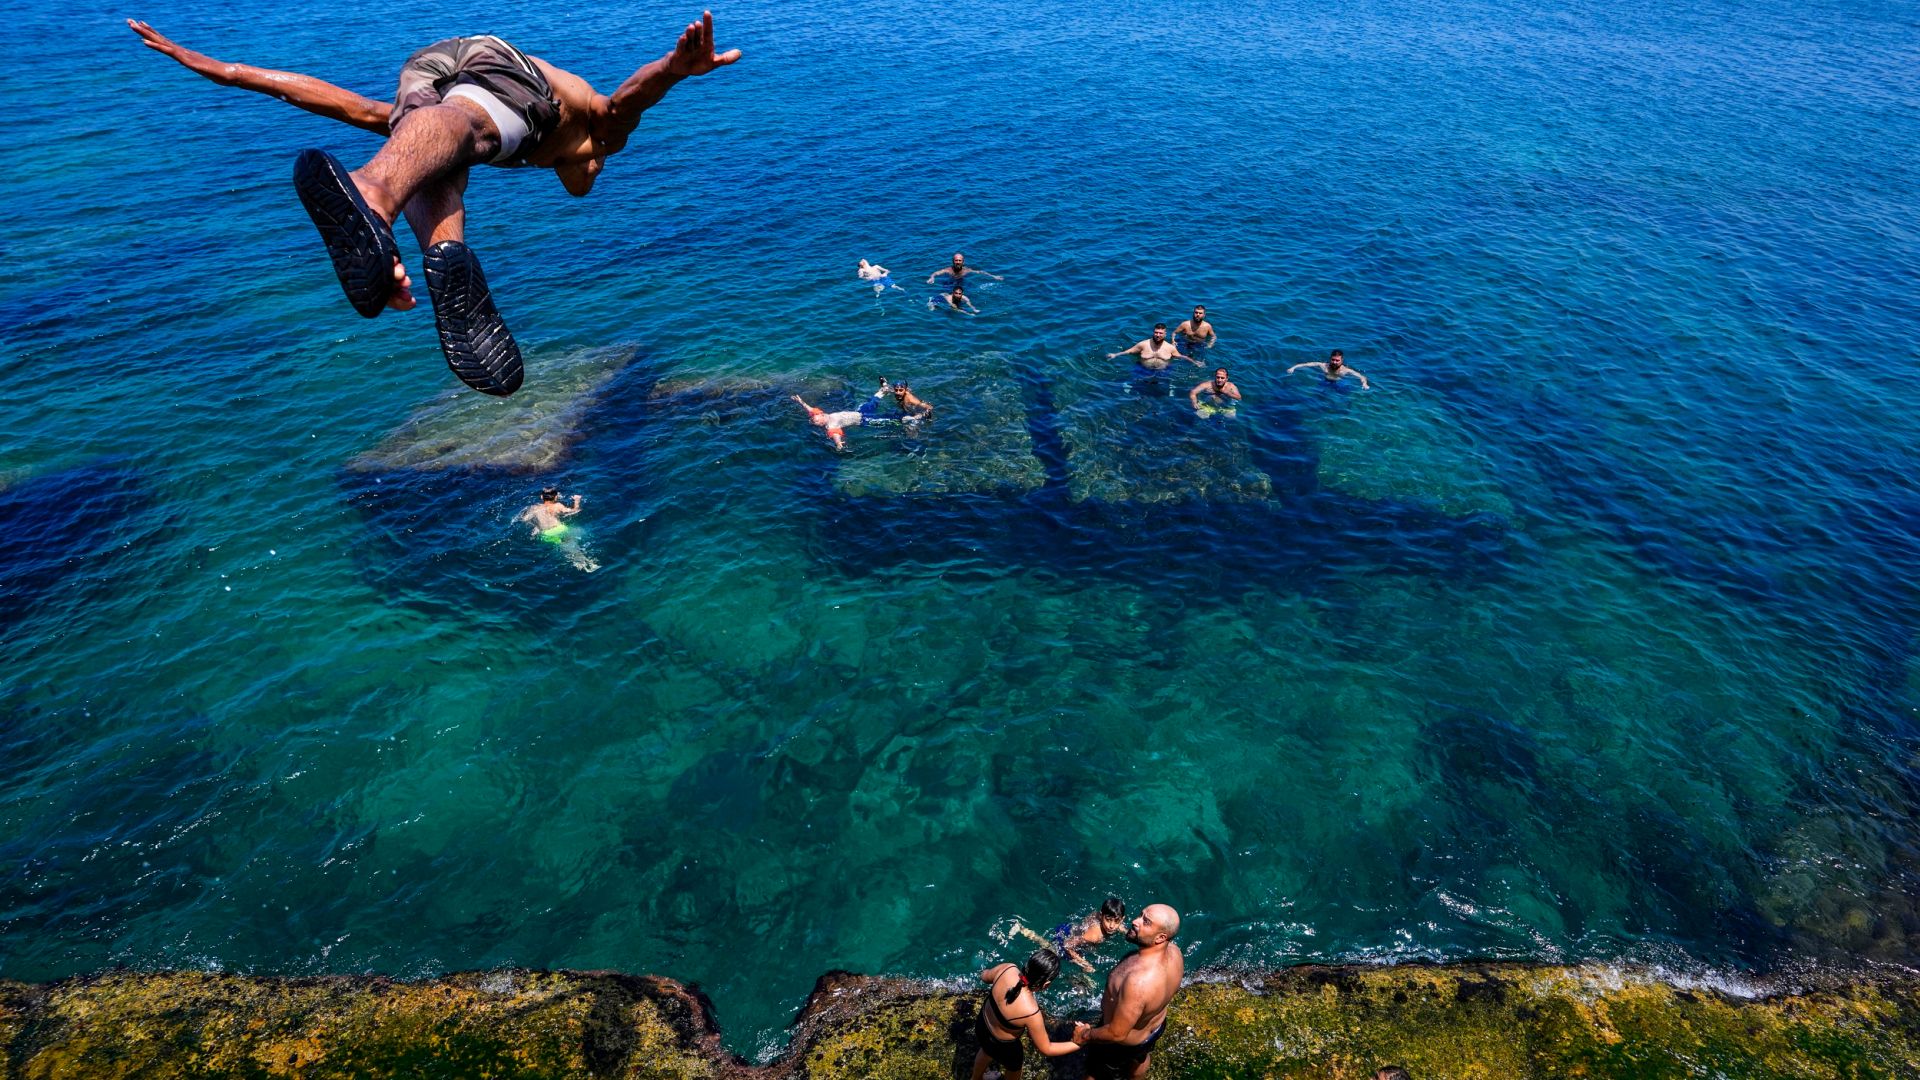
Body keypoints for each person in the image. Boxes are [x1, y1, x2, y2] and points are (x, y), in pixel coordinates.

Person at [128, 14, 740, 398]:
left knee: (427, 140)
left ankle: (444, 260)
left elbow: (346, 107)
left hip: (428, 68)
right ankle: (375, 196)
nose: (589, 179)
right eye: (589, 176)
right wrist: (674, 68)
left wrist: (227, 70)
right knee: (472, 130)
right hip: (501, 67)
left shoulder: (513, 143)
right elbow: (630, 98)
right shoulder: (596, 137)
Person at [1071, 903, 1184, 1080]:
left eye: (1146, 922)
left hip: (1121, 1044)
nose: (1134, 921)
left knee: (1094, 1071)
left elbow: (1117, 1033)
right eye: (1140, 915)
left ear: (1161, 937)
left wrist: (1085, 1034)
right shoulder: (1175, 953)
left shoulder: (1138, 981)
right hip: (1154, 1029)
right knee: (1140, 1059)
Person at [971, 948, 1082, 1080]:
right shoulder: (1031, 1012)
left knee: (986, 1050)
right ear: (1046, 984)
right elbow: (1046, 1049)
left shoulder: (1008, 968)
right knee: (1014, 1069)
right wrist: (1077, 1043)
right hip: (1002, 1046)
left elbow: (984, 976)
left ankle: (975, 1078)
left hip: (982, 1026)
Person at [1015, 897, 1126, 973]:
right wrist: (1084, 963)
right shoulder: (1094, 935)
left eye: (1117, 921)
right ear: (1101, 916)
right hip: (1066, 937)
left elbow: (1118, 925)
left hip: (1074, 930)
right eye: (1108, 920)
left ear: (1122, 919)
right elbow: (1067, 944)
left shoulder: (1112, 921)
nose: (1112, 926)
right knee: (1052, 951)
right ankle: (1024, 931)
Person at [791, 381, 890, 450]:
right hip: (865, 420)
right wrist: (838, 443)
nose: (819, 420)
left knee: (873, 402)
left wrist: (800, 401)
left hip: (859, 412)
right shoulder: (830, 425)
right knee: (888, 419)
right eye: (818, 423)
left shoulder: (821, 414)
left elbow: (810, 409)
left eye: (817, 418)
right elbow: (835, 434)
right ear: (821, 424)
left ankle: (884, 389)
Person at [517, 487, 597, 571]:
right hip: (560, 529)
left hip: (546, 534)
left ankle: (581, 564)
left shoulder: (533, 508)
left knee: (564, 547)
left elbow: (524, 519)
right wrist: (577, 500)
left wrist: (536, 527)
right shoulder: (557, 506)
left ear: (541, 497)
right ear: (556, 497)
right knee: (572, 545)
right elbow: (575, 510)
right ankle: (588, 562)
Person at [1286, 349, 1370, 389]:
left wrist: (1364, 384)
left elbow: (1362, 377)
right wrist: (1293, 368)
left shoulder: (1346, 370)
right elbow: (1307, 364)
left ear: (1342, 360)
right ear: (1330, 358)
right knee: (1318, 393)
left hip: (1340, 382)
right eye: (1333, 360)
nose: (1335, 362)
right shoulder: (1323, 366)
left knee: (1344, 394)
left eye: (1337, 360)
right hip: (1325, 380)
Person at [929, 252, 1003, 285]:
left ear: (963, 262)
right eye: (956, 260)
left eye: (959, 260)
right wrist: (932, 277)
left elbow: (980, 272)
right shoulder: (948, 270)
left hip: (961, 281)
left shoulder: (966, 270)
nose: (958, 262)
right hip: (950, 281)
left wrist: (994, 276)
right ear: (953, 261)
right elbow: (936, 273)